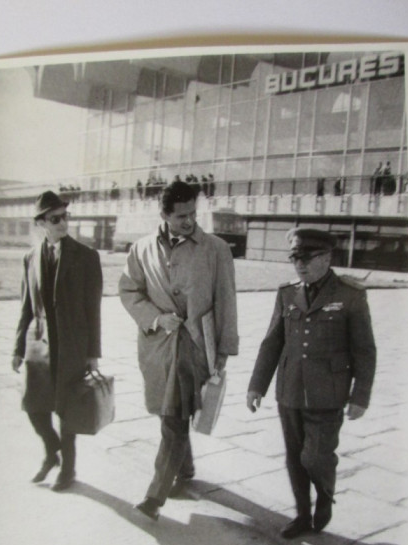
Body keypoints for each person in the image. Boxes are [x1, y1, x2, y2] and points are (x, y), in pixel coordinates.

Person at [119, 180, 239, 520]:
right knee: (170, 413)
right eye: (182, 215)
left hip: (197, 348)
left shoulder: (216, 249)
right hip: (157, 348)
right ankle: (185, 471)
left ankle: (155, 498)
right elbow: (129, 291)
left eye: (193, 214)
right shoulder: (141, 249)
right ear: (164, 214)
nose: (189, 221)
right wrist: (156, 318)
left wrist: (224, 351)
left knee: (173, 418)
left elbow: (226, 301)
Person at [247, 228, 376, 538]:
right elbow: (272, 342)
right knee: (294, 457)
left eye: (306, 258)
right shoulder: (287, 293)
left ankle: (326, 494)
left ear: (327, 258)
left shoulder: (350, 294)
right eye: (295, 258)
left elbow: (365, 349)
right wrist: (256, 386)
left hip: (328, 393)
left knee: (315, 456)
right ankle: (303, 515)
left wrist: (360, 396)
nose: (299, 265)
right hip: (289, 390)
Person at [12, 191, 103, 491]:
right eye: (55, 219)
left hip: (73, 347)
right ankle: (52, 453)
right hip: (38, 346)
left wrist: (93, 353)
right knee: (34, 407)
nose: (63, 222)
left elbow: (93, 310)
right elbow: (26, 306)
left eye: (65, 216)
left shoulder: (86, 257)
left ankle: (69, 470)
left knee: (67, 411)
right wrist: (17, 349)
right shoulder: (30, 257)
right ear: (41, 223)